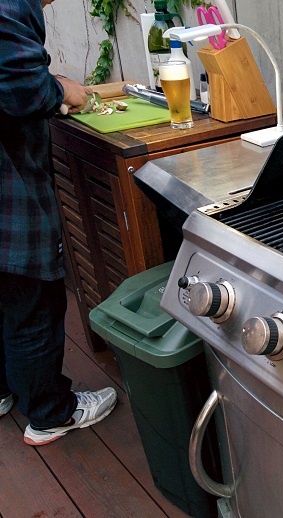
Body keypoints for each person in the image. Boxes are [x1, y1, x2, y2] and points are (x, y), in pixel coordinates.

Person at [0, 0, 117, 446]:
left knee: (5, 296)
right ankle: (50, 414)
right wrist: (63, 90)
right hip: (8, 191)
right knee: (32, 299)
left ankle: (3, 390)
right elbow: (24, 90)